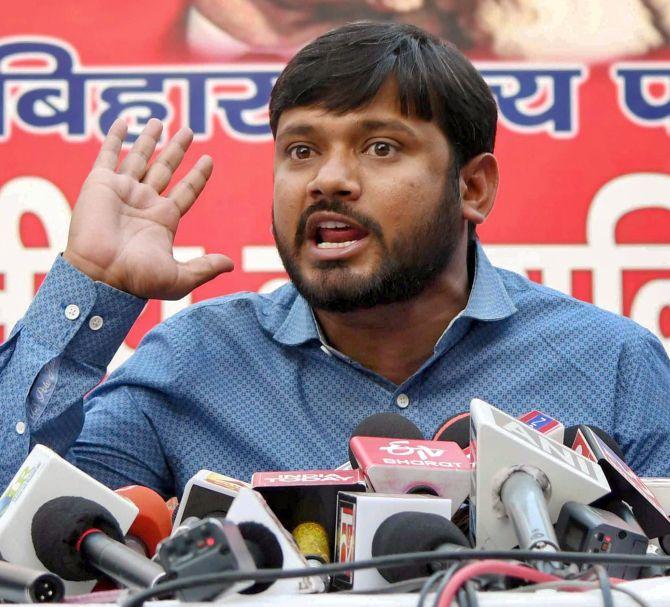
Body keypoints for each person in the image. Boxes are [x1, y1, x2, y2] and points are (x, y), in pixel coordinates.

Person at [0, 22, 668, 498]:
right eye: (301, 150)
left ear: (472, 187)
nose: (328, 180)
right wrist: (90, 285)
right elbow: (18, 517)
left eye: (380, 147)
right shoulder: (195, 361)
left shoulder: (611, 365)